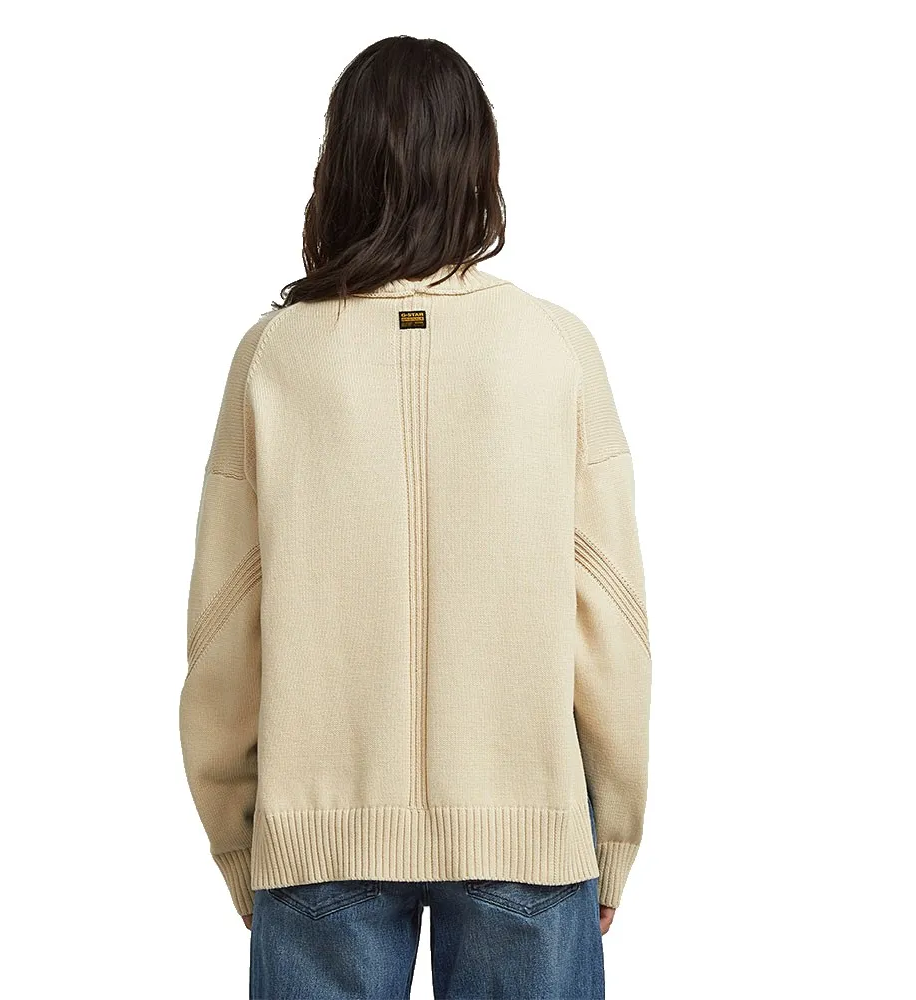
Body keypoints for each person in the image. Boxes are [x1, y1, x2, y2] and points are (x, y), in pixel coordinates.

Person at [179, 34, 651, 1000]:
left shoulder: (275, 358)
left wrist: (241, 834)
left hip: (320, 836)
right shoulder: (555, 348)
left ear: (341, 163)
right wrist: (611, 833)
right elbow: (611, 620)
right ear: (479, 163)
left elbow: (223, 624)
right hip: (526, 829)